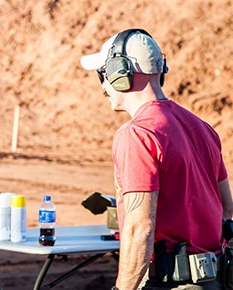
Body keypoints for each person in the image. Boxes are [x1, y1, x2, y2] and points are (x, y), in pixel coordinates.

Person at [80, 28, 233, 290]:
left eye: (103, 74)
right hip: (213, 280)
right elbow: (227, 209)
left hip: (172, 283)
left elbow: (140, 230)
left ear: (120, 73)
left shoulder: (137, 134)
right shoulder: (202, 127)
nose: (104, 85)